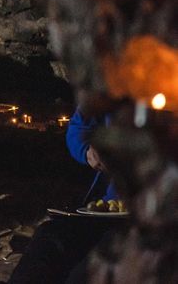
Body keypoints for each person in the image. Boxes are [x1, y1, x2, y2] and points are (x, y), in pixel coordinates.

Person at [8, 108, 123, 283]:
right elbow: (80, 126)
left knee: (83, 272)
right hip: (112, 209)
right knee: (49, 238)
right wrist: (88, 150)